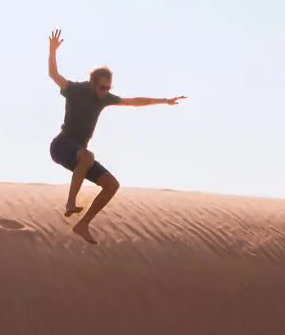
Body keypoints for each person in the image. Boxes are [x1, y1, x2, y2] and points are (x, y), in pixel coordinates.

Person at [47, 30, 185, 243]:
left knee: (111, 184)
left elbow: (135, 101)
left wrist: (165, 100)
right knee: (87, 155)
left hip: (80, 155)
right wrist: (52, 50)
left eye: (108, 88)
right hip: (61, 146)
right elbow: (54, 75)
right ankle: (70, 203)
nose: (105, 92)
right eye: (102, 87)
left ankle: (83, 224)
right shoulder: (75, 90)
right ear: (92, 83)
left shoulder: (104, 99)